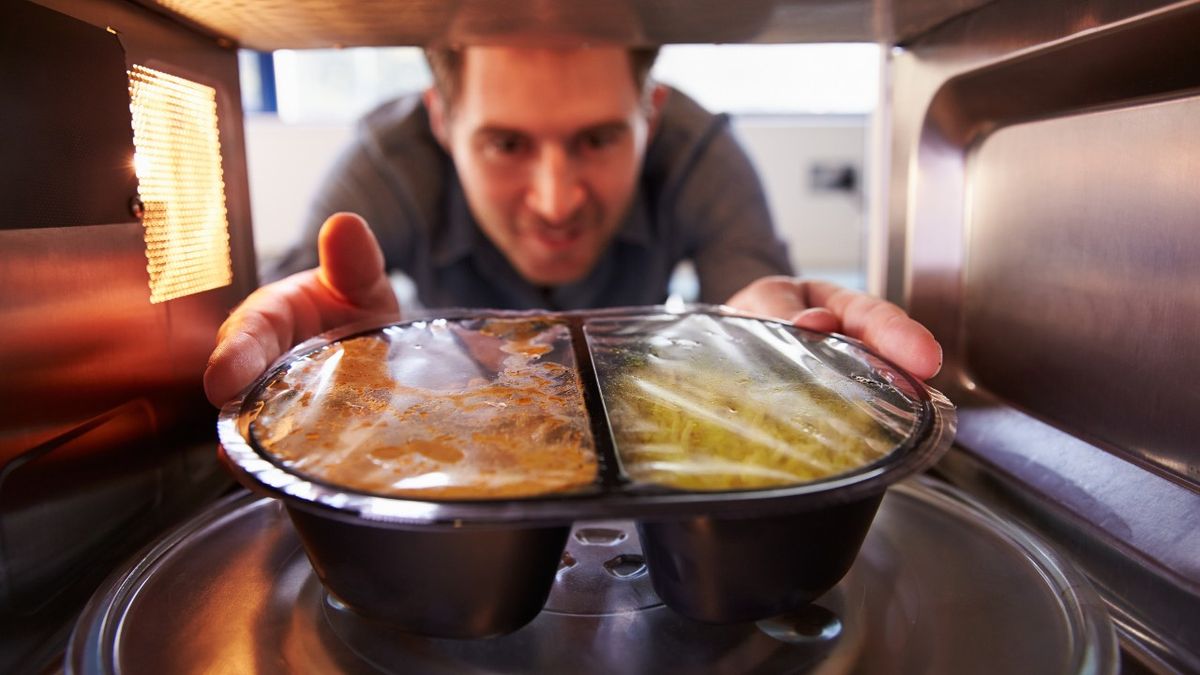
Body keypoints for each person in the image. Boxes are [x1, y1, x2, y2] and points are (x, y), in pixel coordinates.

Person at [203, 44, 941, 406]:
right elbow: (296, 315)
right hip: (467, 417)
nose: (556, 202)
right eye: (506, 143)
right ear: (442, 119)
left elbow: (756, 294)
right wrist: (321, 363)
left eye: (597, 139)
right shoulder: (385, 165)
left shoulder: (697, 151)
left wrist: (769, 340)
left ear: (649, 116)